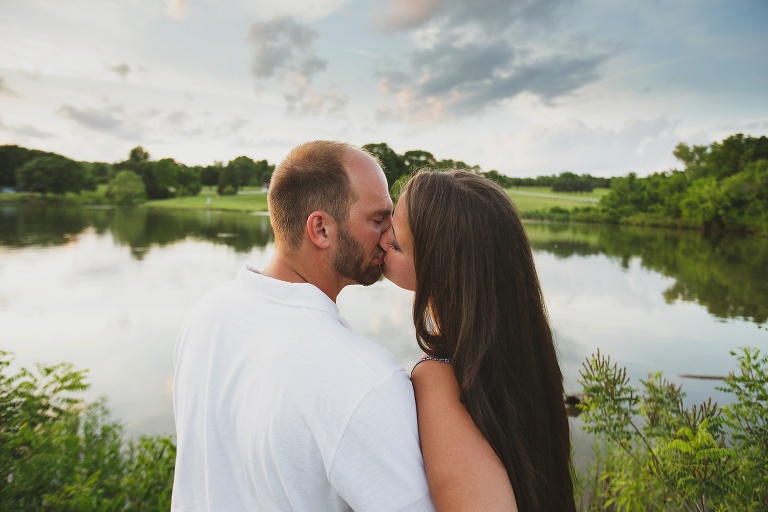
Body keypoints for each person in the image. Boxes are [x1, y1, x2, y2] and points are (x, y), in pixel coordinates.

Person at [172, 141, 435, 511]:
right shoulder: (365, 378)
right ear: (321, 229)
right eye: (378, 219)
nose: (390, 236)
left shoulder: (208, 313)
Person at [381, 169, 577, 512]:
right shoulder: (527, 358)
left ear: (439, 267)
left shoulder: (438, 380)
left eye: (395, 243)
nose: (381, 240)